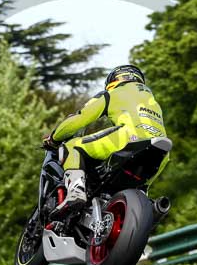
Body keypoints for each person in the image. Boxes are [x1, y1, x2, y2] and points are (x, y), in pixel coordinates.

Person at [44, 64, 168, 216]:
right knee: (140, 189)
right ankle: (147, 212)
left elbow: (80, 118)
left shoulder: (113, 93)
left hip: (127, 137)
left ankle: (76, 192)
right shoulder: (152, 100)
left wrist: (54, 138)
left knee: (72, 147)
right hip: (162, 150)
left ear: (114, 80)